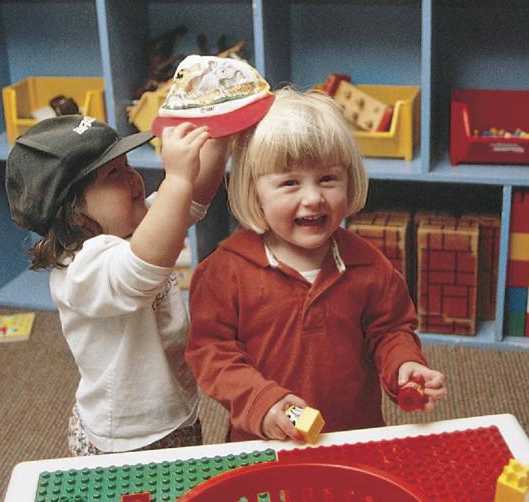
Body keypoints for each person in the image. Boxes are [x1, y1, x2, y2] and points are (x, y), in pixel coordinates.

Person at [186, 88, 447, 443]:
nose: (313, 198)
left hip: (354, 436)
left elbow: (390, 331)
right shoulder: (224, 271)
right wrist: (263, 404)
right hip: (264, 440)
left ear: (349, 180)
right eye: (289, 183)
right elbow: (212, 353)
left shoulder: (369, 265)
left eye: (327, 179)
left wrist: (404, 365)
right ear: (254, 190)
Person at [5, 114, 228, 454]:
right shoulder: (81, 269)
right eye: (113, 173)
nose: (132, 177)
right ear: (73, 210)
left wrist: (223, 131)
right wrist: (177, 179)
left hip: (173, 409)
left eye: (127, 165)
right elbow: (143, 267)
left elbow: (194, 198)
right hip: (126, 435)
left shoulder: (137, 227)